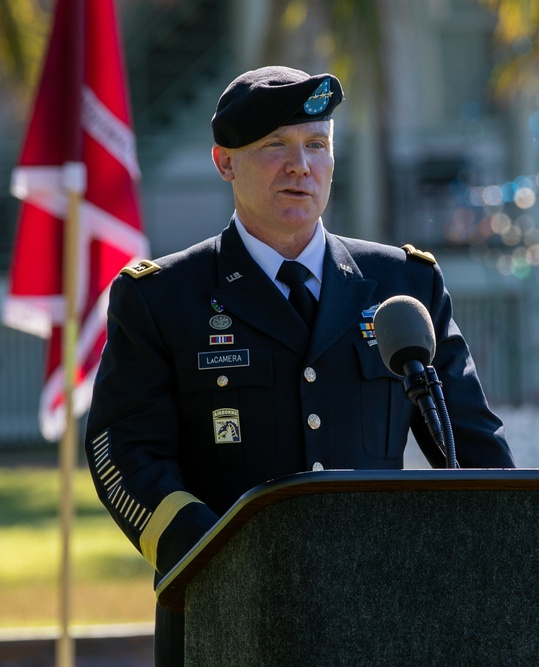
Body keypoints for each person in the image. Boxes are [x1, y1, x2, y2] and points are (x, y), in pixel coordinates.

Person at [84, 65, 516, 666]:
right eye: (274, 147)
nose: (300, 165)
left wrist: (513, 557)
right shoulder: (163, 298)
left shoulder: (401, 284)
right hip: (227, 614)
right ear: (224, 162)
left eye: (317, 145)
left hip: (380, 612)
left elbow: (472, 443)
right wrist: (213, 558)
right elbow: (122, 451)